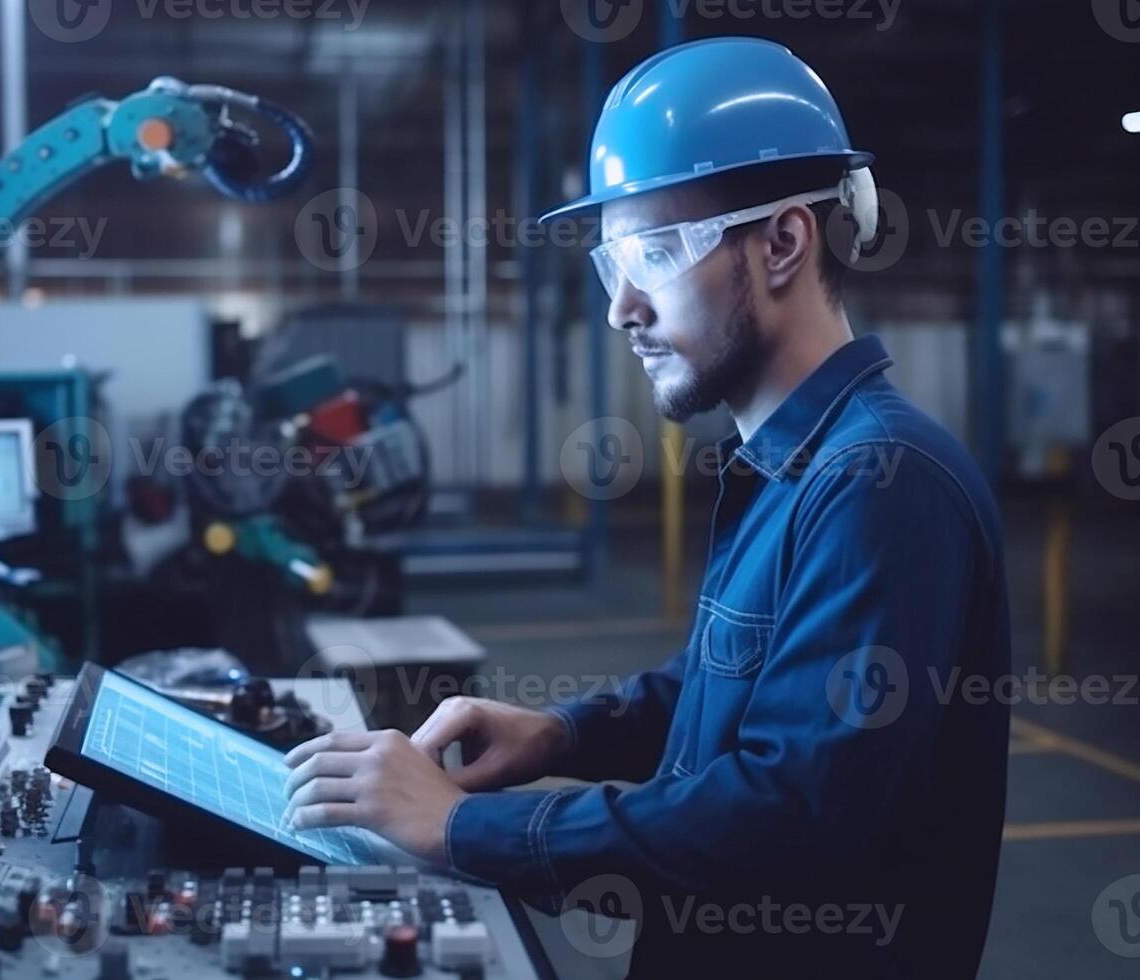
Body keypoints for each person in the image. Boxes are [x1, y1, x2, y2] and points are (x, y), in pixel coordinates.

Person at [283, 37, 1010, 978]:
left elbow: (793, 811)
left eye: (654, 253)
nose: (623, 306)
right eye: (609, 263)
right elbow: (730, 685)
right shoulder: (797, 462)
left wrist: (463, 824)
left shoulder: (882, 481)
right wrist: (564, 733)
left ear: (784, 241)